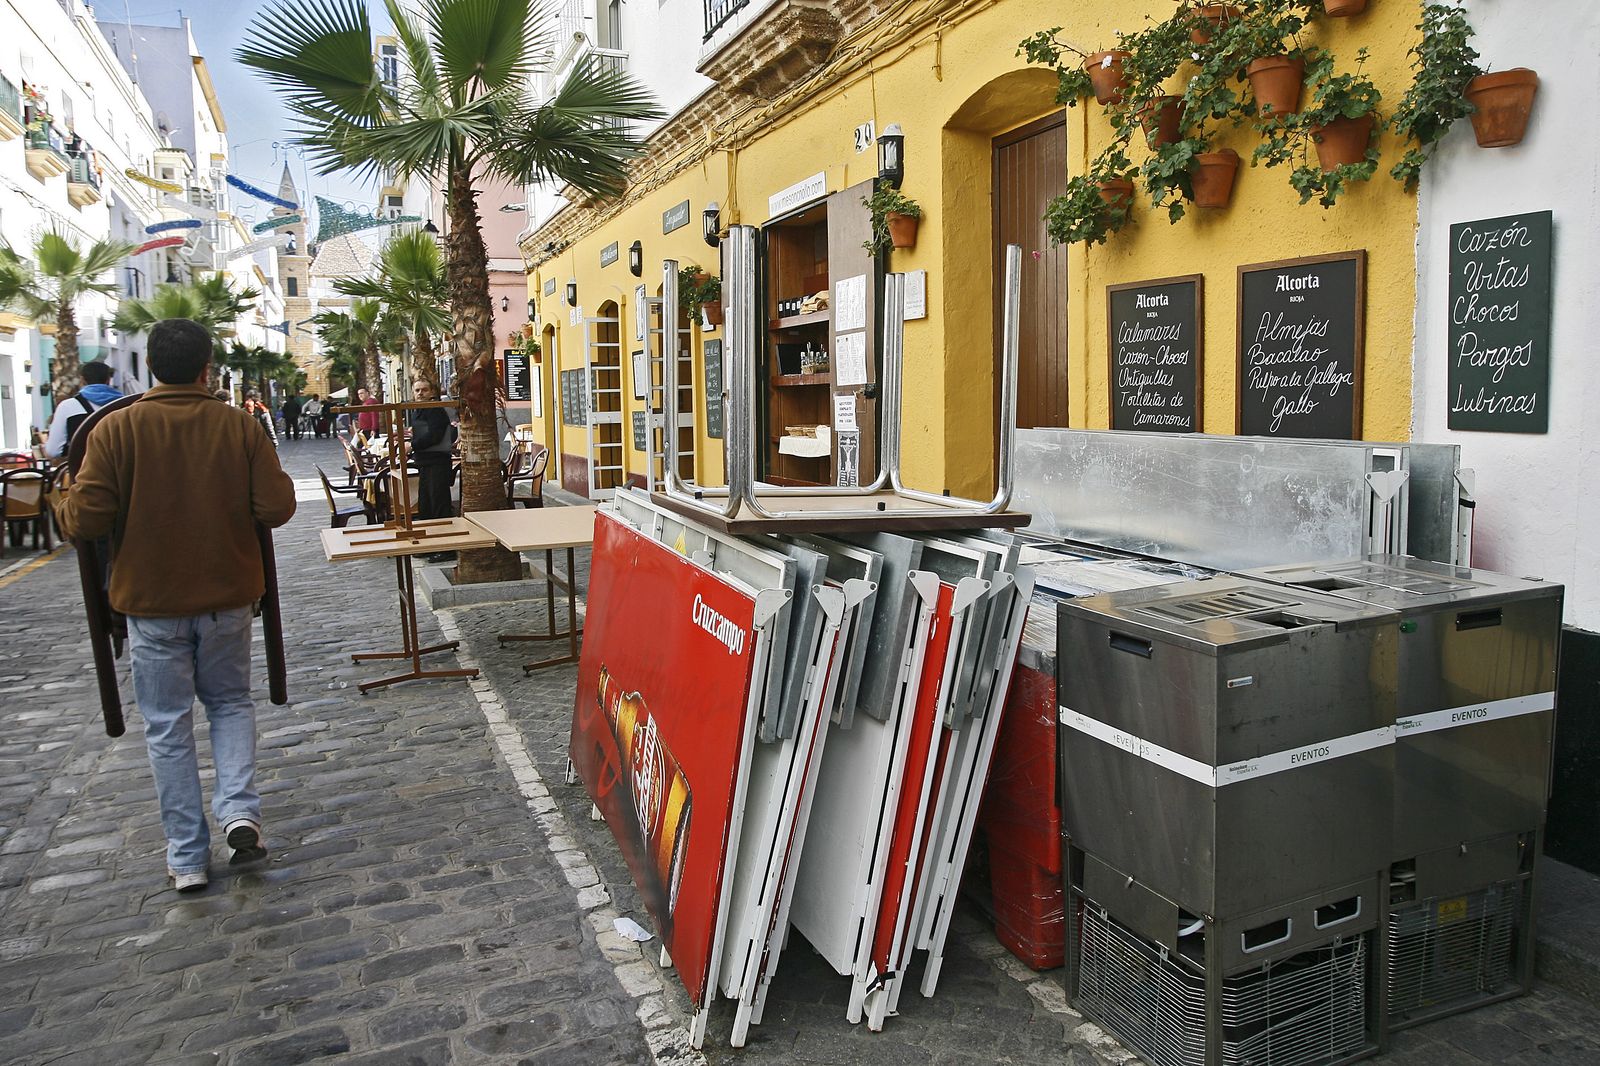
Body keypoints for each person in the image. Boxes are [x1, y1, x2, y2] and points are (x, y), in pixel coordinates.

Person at [55, 319, 296, 894]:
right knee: (231, 703)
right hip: (226, 596)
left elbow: (85, 519)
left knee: (167, 726)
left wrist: (63, 501)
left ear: (152, 367)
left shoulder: (117, 431)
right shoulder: (237, 427)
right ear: (206, 366)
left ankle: (187, 856)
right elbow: (277, 507)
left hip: (151, 602)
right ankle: (240, 814)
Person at [408, 376, 456, 537]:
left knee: (439, 505)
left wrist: (412, 445)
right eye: (417, 390)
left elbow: (435, 435)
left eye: (424, 390)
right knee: (426, 505)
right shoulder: (418, 410)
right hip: (424, 463)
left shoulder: (435, 409)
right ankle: (430, 544)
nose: (420, 393)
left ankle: (444, 548)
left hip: (437, 463)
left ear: (432, 392)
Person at [45, 362, 123, 459]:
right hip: (121, 470)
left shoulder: (67, 407)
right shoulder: (125, 404)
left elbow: (53, 451)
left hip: (83, 470)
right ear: (108, 380)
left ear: (82, 380)